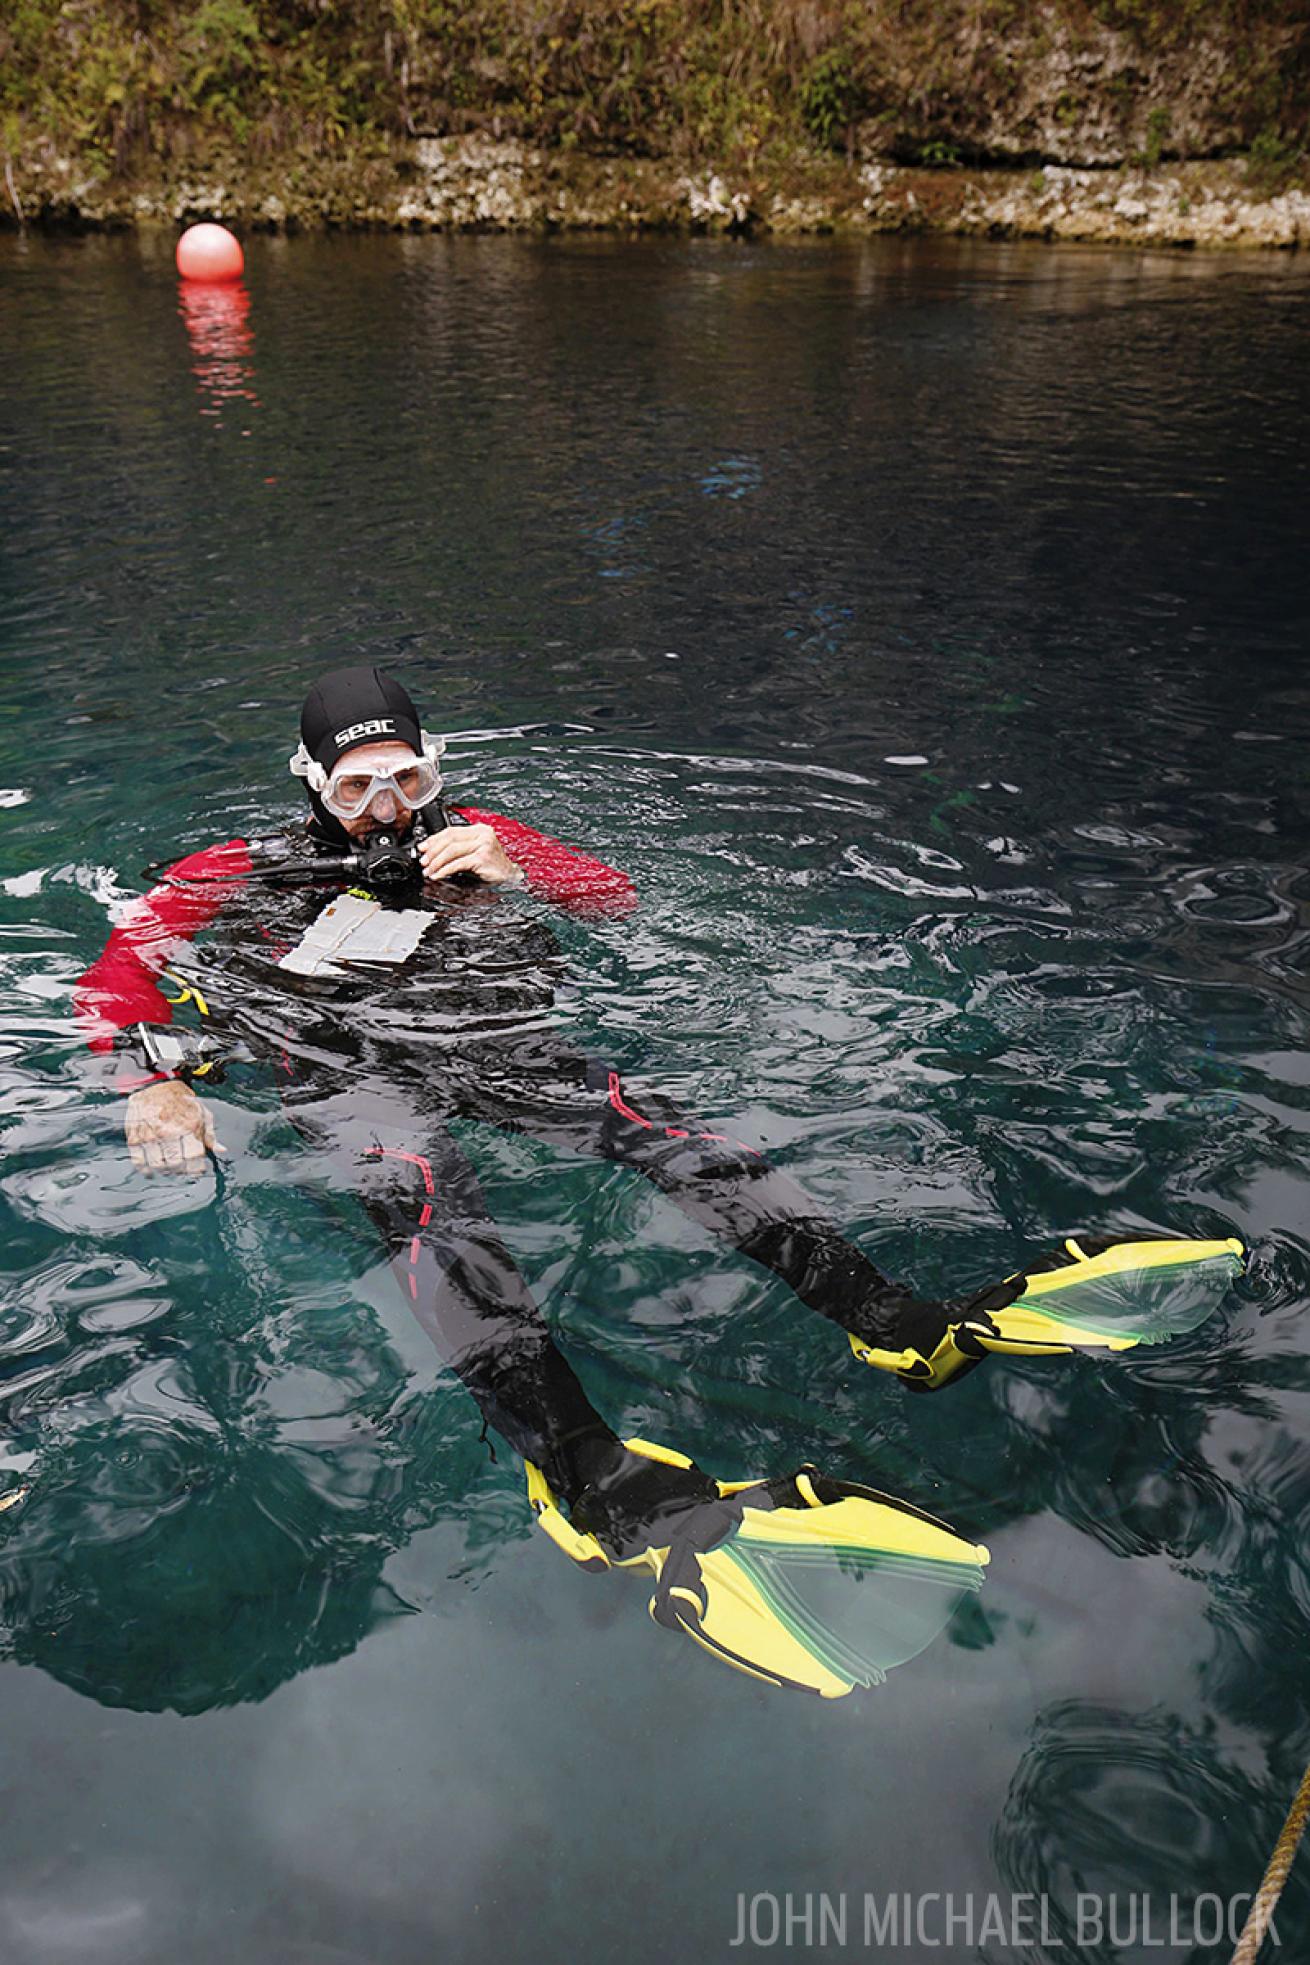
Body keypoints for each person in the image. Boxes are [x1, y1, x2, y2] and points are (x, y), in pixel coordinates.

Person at [71, 667, 1239, 1687]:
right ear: (309, 787)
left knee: (666, 1128)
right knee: (431, 1198)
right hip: (351, 1077)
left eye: (407, 785)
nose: (385, 816)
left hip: (498, 1042)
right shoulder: (234, 870)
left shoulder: (482, 840)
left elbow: (617, 897)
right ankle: (582, 1469)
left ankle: (881, 1310)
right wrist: (150, 1083)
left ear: (437, 772)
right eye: (355, 791)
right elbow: (117, 976)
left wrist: (519, 873)